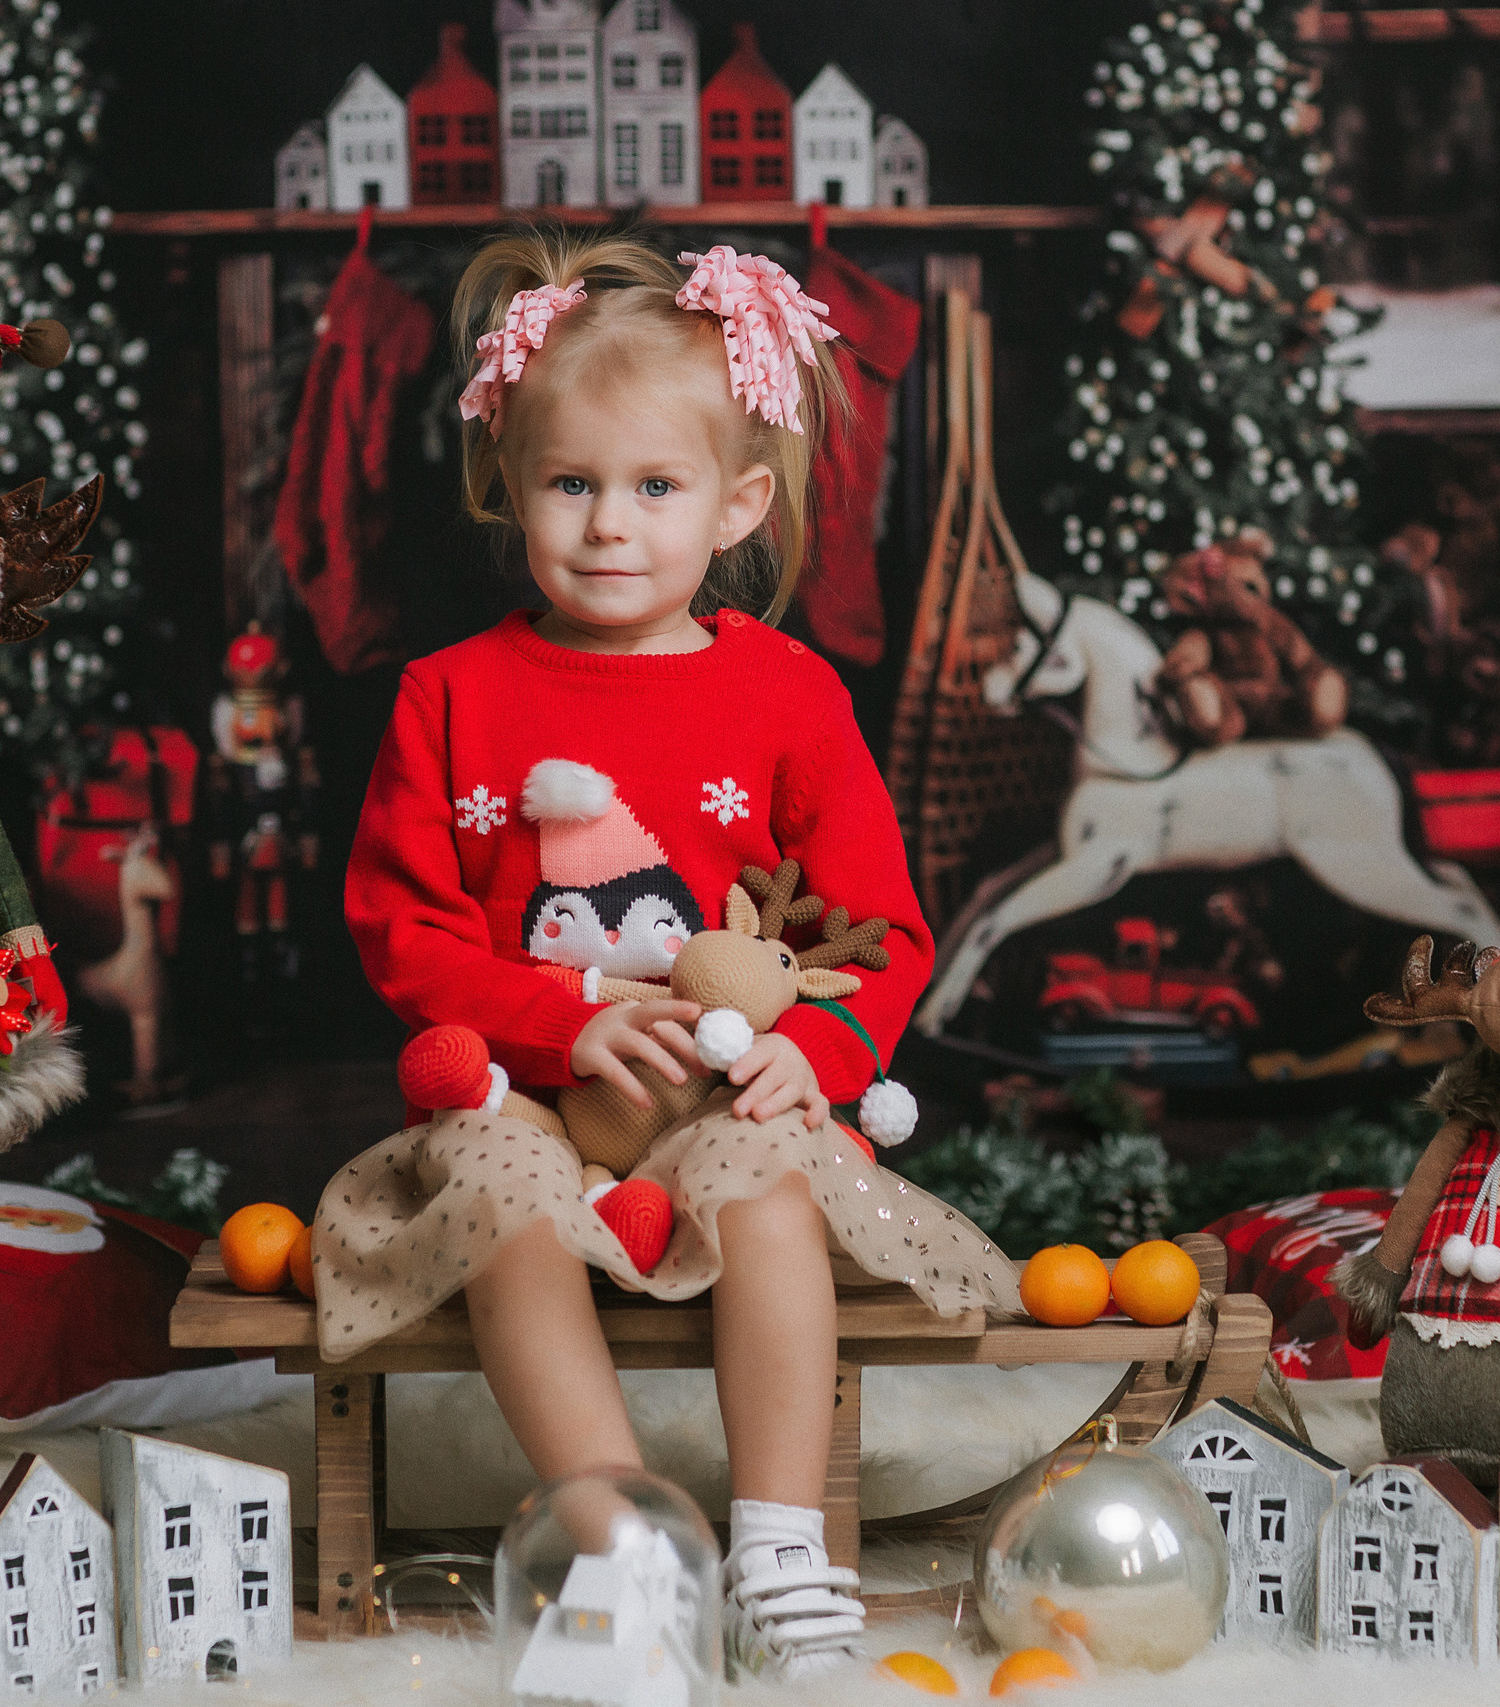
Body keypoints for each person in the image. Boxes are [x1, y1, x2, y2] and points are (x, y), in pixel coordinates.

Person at [321, 229, 1019, 1681]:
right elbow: (403, 927)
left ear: (738, 503)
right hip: (528, 1101)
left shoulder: (786, 693)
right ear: (510, 484)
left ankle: (775, 1550)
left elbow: (876, 928)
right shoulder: (452, 696)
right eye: (571, 483)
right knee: (509, 1223)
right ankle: (619, 1546)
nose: (609, 526)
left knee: (763, 1193)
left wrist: (807, 1050)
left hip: (712, 1101)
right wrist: (560, 1016)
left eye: (655, 487)